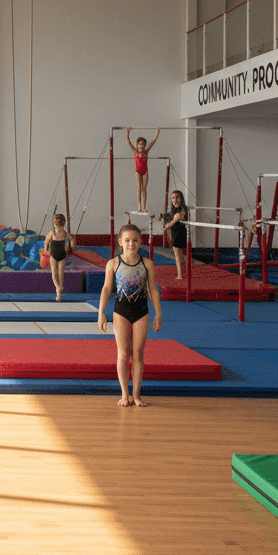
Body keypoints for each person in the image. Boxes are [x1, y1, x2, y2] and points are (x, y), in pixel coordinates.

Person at [97, 225, 163, 407]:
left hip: (142, 312)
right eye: (127, 240)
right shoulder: (113, 263)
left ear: (140, 242)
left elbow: (153, 290)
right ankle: (125, 394)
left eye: (135, 240)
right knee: (123, 353)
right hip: (121, 312)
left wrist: (158, 312)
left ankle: (136, 395)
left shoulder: (147, 263)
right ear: (120, 242)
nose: (131, 244)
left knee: (138, 354)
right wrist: (101, 312)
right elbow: (106, 289)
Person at [125, 128, 160, 214]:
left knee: (144, 189)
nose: (141, 146)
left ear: (145, 145)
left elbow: (153, 142)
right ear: (137, 145)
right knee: (139, 188)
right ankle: (139, 206)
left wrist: (158, 132)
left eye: (143, 144)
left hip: (145, 172)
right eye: (140, 144)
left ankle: (144, 207)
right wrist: (127, 132)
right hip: (138, 172)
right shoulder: (135, 151)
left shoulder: (146, 152)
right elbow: (128, 142)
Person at [44, 214, 73, 301]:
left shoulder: (65, 233)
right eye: (56, 226)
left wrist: (70, 244)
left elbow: (71, 239)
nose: (58, 228)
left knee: (60, 272)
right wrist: (45, 250)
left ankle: (59, 290)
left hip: (62, 255)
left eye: (59, 226)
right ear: (54, 225)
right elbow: (46, 242)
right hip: (53, 255)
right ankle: (58, 287)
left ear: (63, 225)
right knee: (54, 272)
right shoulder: (51, 233)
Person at [161, 190, 190, 280]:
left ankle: (180, 275)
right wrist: (162, 216)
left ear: (181, 198)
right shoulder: (177, 210)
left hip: (178, 234)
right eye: (173, 198)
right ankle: (181, 272)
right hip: (178, 232)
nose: (175, 200)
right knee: (180, 255)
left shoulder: (181, 210)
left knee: (178, 255)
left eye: (177, 197)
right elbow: (170, 216)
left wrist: (166, 227)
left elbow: (174, 220)